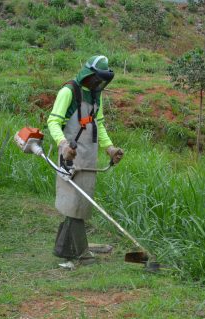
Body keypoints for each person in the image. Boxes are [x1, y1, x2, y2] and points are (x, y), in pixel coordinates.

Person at [47, 55, 123, 261]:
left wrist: (109, 148)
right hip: (70, 155)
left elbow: (99, 124)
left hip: (89, 157)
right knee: (73, 203)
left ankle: (66, 247)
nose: (98, 83)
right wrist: (63, 145)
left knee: (82, 202)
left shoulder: (96, 95)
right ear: (88, 73)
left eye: (102, 81)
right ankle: (80, 253)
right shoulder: (68, 91)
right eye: (96, 79)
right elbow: (53, 122)